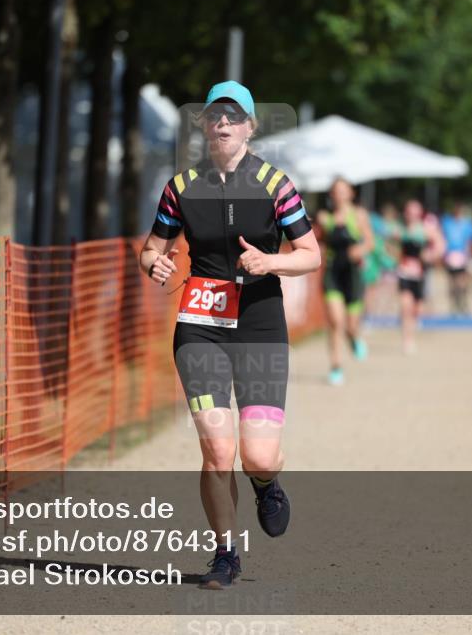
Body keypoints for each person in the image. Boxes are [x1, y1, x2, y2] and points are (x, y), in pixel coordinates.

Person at [138, 81, 320, 589]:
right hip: (201, 327)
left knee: (257, 454)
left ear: (249, 127)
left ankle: (265, 483)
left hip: (260, 324)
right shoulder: (180, 187)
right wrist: (154, 264)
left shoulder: (275, 184)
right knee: (217, 450)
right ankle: (226, 553)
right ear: (203, 124)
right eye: (215, 115)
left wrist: (270, 261)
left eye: (233, 117)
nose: (223, 123)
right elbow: (150, 249)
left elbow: (312, 254)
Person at [316, 178, 374, 385]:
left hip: (352, 275)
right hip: (332, 273)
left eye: (343, 190)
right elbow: (317, 241)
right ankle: (336, 366)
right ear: (331, 195)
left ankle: (355, 338)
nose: (339, 194)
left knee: (350, 325)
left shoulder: (358, 215)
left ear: (351, 193)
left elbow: (370, 241)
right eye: (335, 191)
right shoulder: (325, 218)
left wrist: (361, 249)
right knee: (335, 322)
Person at [394, 199, 444, 354]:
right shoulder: (400, 230)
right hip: (404, 273)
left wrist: (430, 256)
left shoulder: (425, 230)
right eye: (409, 212)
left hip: (420, 274)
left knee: (416, 309)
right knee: (405, 305)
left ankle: (411, 330)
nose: (411, 215)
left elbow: (441, 244)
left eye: (414, 212)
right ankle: (406, 340)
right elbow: (388, 246)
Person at [440, 202, 472, 315]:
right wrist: (443, 254)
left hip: (462, 255)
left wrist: (469, 255)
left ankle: (462, 302)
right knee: (452, 281)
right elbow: (443, 239)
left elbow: (470, 241)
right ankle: (454, 305)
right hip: (450, 255)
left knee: (462, 281)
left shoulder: (467, 224)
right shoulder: (447, 223)